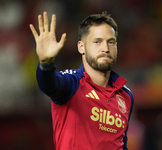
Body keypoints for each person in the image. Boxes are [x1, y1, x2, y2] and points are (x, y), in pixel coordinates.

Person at [29, 11, 134, 150]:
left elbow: (121, 143)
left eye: (111, 42)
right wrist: (45, 64)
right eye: (97, 42)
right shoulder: (71, 83)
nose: (106, 48)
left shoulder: (126, 96)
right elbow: (49, 85)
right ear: (81, 47)